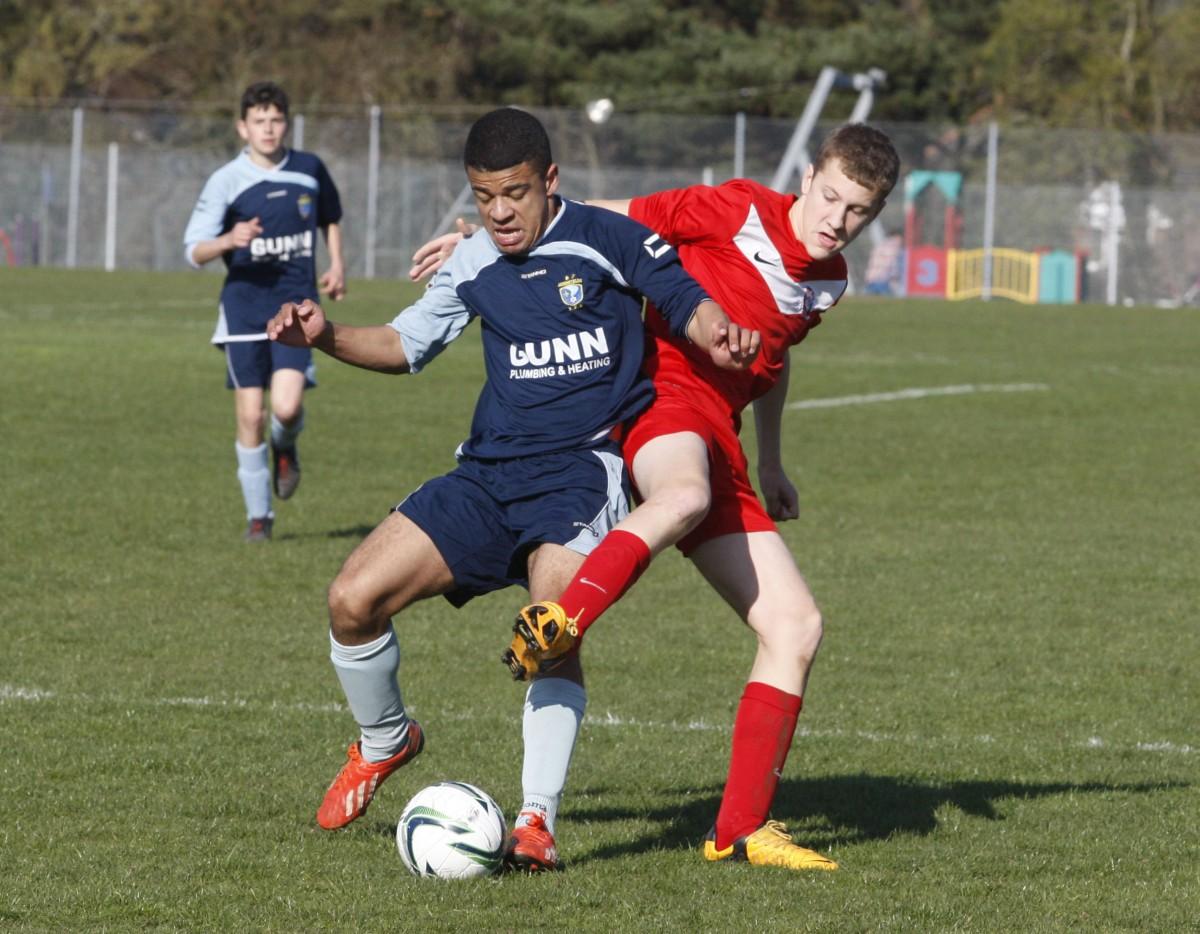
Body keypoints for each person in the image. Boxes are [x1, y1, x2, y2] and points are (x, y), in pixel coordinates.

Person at [266, 107, 757, 871]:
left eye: (516, 194)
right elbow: (404, 345)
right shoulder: (472, 262)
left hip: (578, 476)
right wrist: (323, 335)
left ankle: (536, 820)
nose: (499, 212)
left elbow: (681, 293)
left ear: (550, 181)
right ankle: (387, 739)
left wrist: (718, 329)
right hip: (487, 475)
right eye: (485, 195)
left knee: (552, 629)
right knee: (350, 600)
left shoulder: (604, 239)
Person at [411, 123, 900, 871]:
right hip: (666, 400)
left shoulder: (829, 280)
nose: (838, 218)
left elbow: (775, 357)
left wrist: (772, 460)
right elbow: (609, 218)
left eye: (858, 210)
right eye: (831, 196)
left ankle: (739, 831)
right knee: (681, 495)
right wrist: (487, 245)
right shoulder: (732, 208)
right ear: (808, 177)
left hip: (722, 437)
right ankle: (559, 619)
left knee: (796, 625)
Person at [184, 81, 346, 542]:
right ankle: (260, 518)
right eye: (259, 121)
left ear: (286, 123)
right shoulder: (225, 181)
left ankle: (286, 447)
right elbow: (193, 250)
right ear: (243, 127)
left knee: (288, 407)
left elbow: (329, 218)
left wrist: (336, 265)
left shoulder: (309, 169)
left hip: (294, 310)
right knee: (251, 415)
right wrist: (227, 241)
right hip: (243, 312)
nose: (268, 129)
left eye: (275, 120)